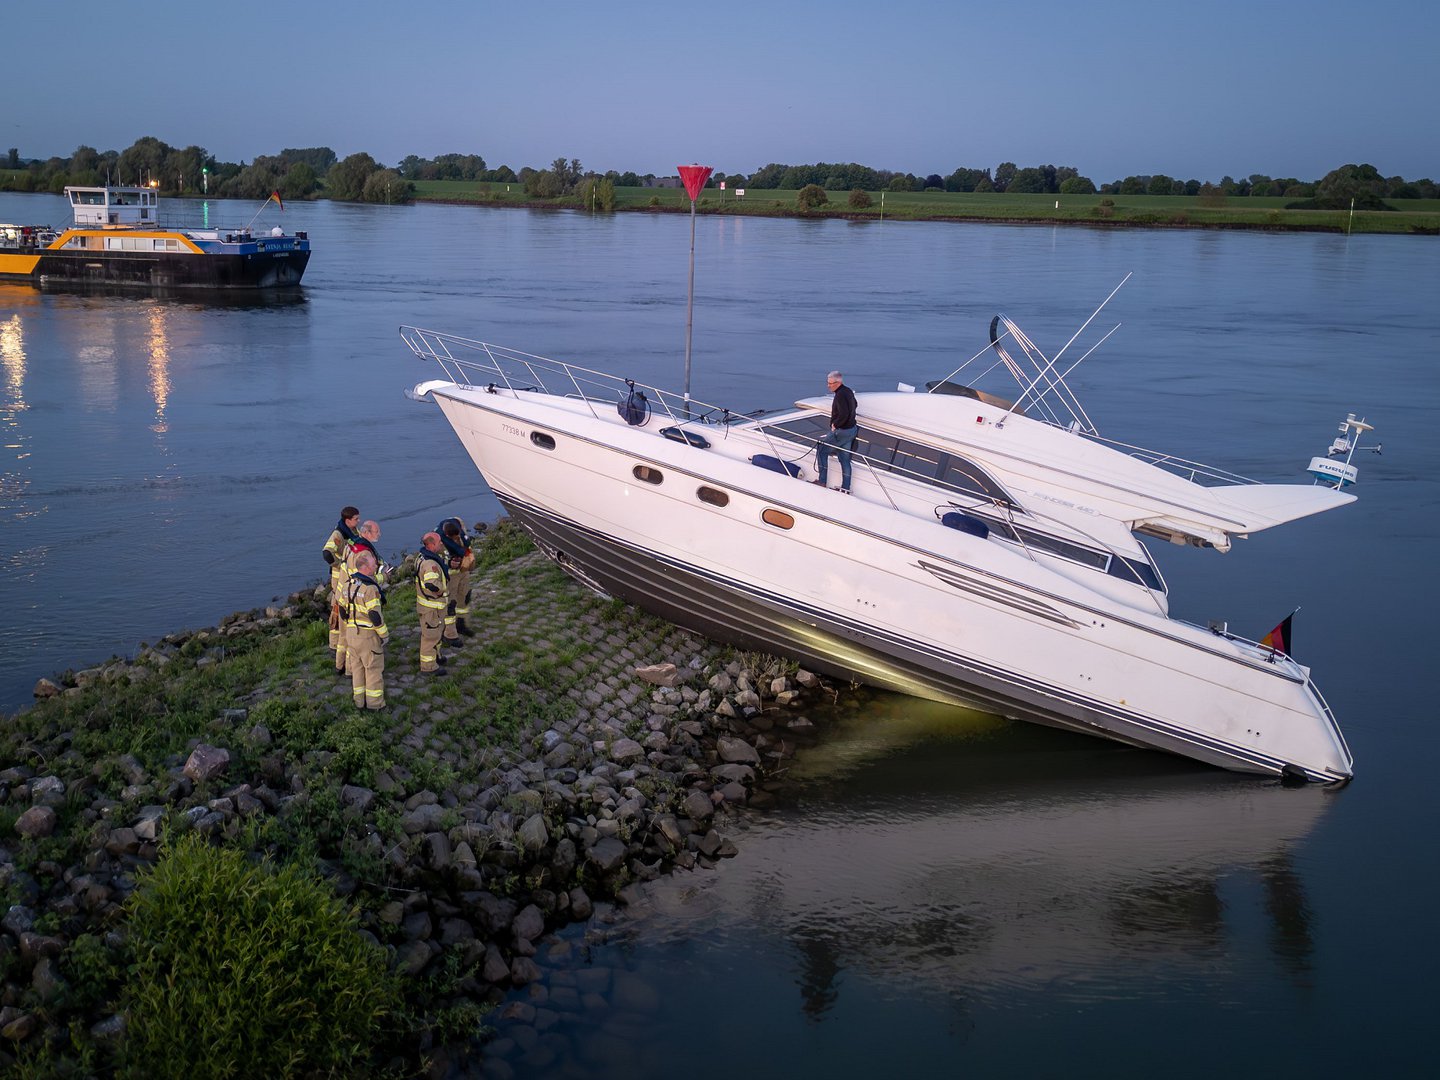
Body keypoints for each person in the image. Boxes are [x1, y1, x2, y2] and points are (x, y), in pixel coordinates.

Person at [339, 520, 387, 676]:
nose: (379, 535)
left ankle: (347, 669)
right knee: (360, 634)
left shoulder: (350, 545)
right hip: (359, 596)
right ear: (366, 532)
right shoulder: (364, 552)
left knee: (349, 637)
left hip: (345, 594)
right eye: (376, 532)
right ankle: (356, 670)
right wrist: (383, 576)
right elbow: (366, 578)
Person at [343, 550, 388, 709]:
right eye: (374, 564)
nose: (376, 566)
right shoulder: (370, 589)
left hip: (351, 634)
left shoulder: (347, 585)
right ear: (366, 567)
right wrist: (384, 635)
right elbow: (375, 616)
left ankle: (359, 701)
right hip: (367, 636)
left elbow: (343, 610)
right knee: (373, 670)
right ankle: (375, 704)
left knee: (357, 670)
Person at [321, 506, 360, 659]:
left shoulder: (352, 531)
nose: (358, 521)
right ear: (347, 520)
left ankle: (344, 641)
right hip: (339, 578)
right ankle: (334, 645)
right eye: (356, 519)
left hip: (348, 577)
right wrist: (339, 564)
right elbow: (326, 553)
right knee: (337, 608)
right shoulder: (338, 534)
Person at [813, 370, 858, 493]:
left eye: (831, 383)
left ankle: (822, 481)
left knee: (821, 450)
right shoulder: (848, 391)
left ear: (838, 382)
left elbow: (843, 413)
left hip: (842, 431)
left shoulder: (840, 395)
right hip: (851, 430)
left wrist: (835, 425)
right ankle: (845, 488)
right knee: (844, 459)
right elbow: (855, 404)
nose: (828, 386)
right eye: (828, 383)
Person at [437, 517, 475, 644]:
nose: (455, 540)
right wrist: (449, 563)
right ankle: (449, 634)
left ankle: (461, 624)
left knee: (464, 599)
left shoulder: (459, 529)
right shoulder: (438, 540)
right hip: (450, 576)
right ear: (447, 535)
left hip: (463, 572)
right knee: (450, 605)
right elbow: (435, 560)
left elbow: (467, 546)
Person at [416, 532, 449, 675]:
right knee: (430, 637)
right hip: (431, 607)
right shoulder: (430, 564)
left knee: (437, 633)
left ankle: (436, 656)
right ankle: (428, 667)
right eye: (439, 542)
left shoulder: (422, 557)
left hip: (433, 606)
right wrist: (442, 590)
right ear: (431, 544)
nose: (441, 544)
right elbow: (431, 584)